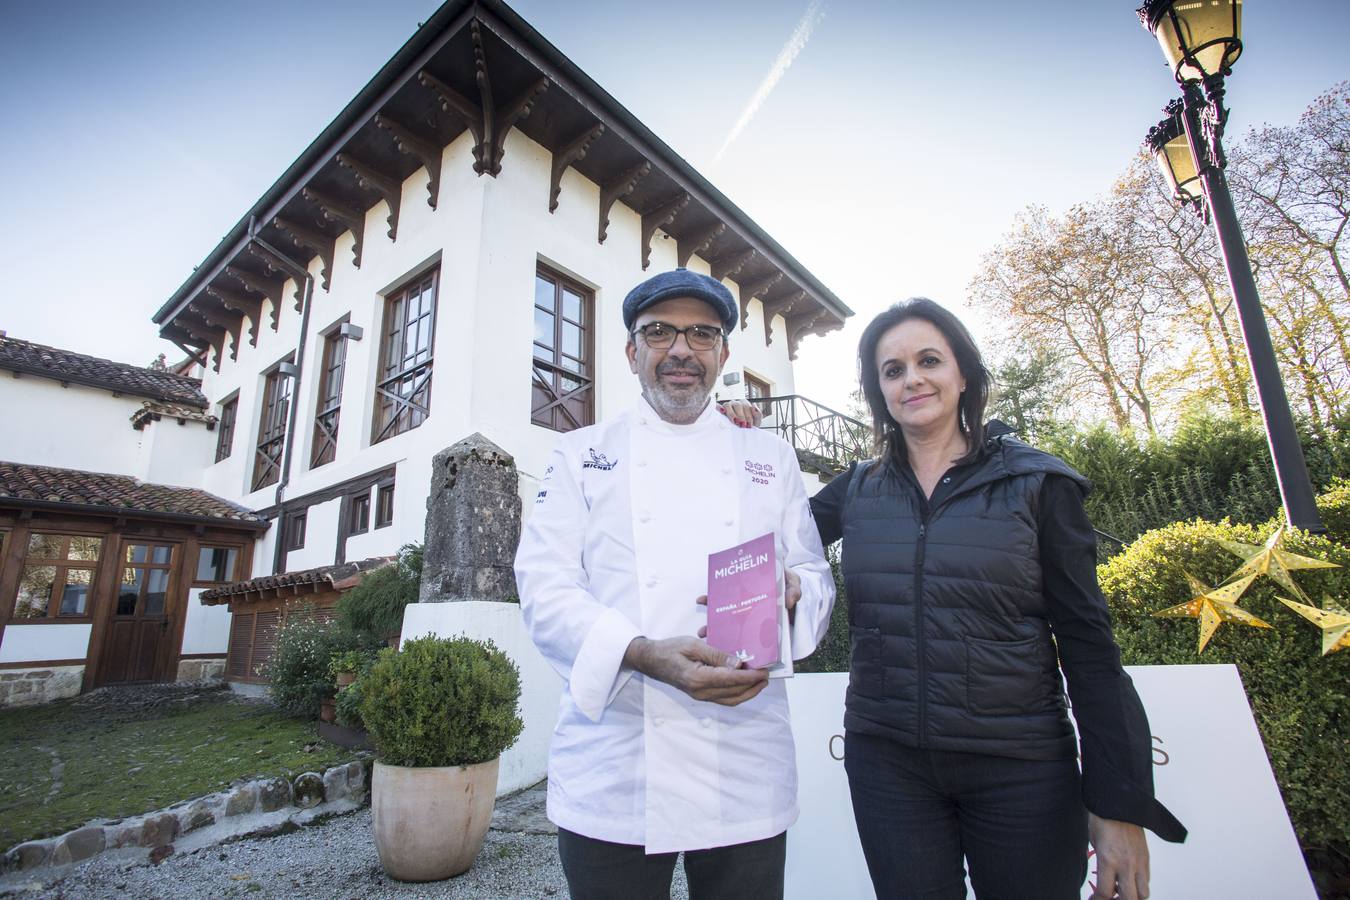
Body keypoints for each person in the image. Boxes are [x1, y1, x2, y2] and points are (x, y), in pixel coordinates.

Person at [726, 298, 1186, 900]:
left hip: (1021, 768)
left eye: (928, 360)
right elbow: (764, 538)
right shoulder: (858, 489)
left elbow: (1090, 648)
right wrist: (728, 439)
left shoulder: (1038, 484)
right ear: (879, 392)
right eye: (892, 370)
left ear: (963, 374)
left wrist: (1118, 803)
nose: (912, 378)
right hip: (887, 764)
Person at [514, 268, 835, 900]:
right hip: (618, 760)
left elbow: (817, 576)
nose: (681, 349)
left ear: (722, 354)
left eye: (701, 334)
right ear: (633, 352)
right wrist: (640, 654)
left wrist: (794, 591)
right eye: (660, 332)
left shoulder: (770, 457)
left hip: (744, 756)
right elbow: (544, 587)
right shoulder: (580, 454)